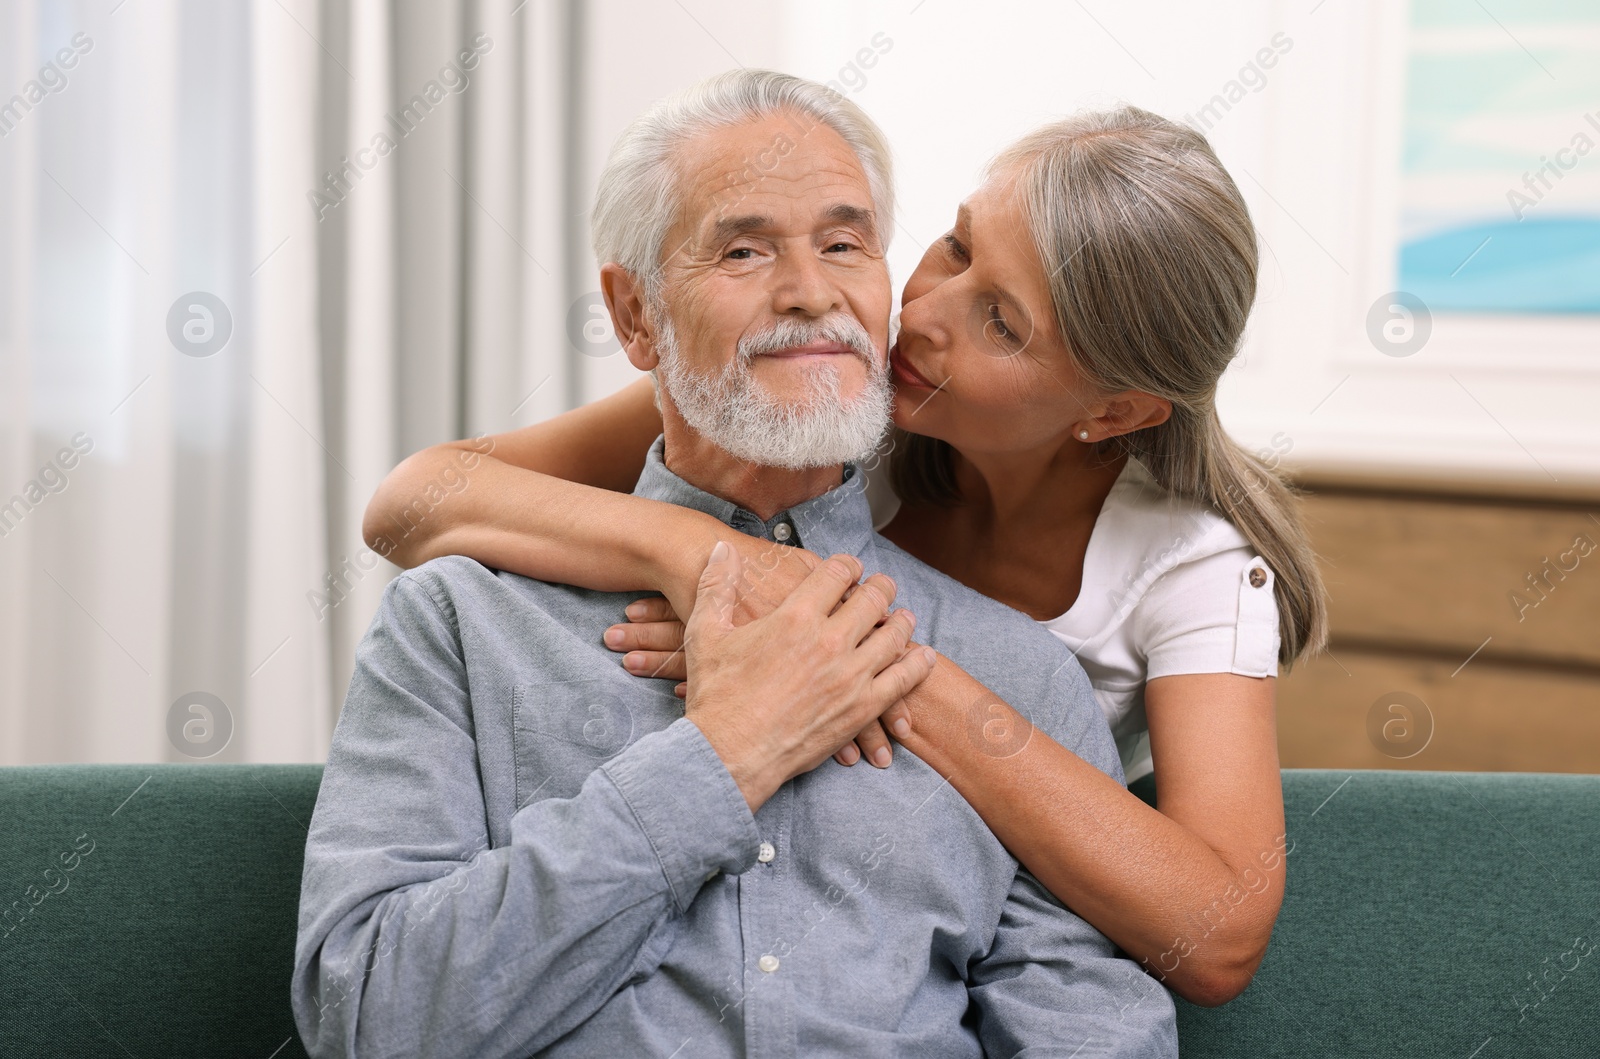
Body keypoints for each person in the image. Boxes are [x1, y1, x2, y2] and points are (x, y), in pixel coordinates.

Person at [366, 73, 1328, 1008]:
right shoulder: (824, 403)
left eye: (999, 321)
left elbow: (1215, 934)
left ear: (1113, 409)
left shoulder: (1188, 572)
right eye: (955, 248)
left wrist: (855, 662)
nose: (921, 314)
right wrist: (717, 561)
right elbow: (413, 503)